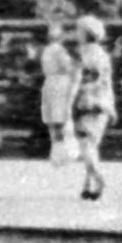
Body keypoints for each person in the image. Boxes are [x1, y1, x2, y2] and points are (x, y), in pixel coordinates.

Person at [71, 16, 118, 202]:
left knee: (86, 145)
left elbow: (78, 81)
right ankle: (88, 186)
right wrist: (111, 106)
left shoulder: (82, 55)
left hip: (86, 103)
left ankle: (99, 179)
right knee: (92, 145)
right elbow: (107, 83)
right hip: (103, 104)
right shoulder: (103, 55)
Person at [38, 22, 78, 166]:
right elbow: (68, 68)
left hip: (50, 82)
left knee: (54, 118)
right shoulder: (59, 50)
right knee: (60, 117)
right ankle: (62, 152)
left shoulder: (46, 50)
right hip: (59, 83)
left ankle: (57, 151)